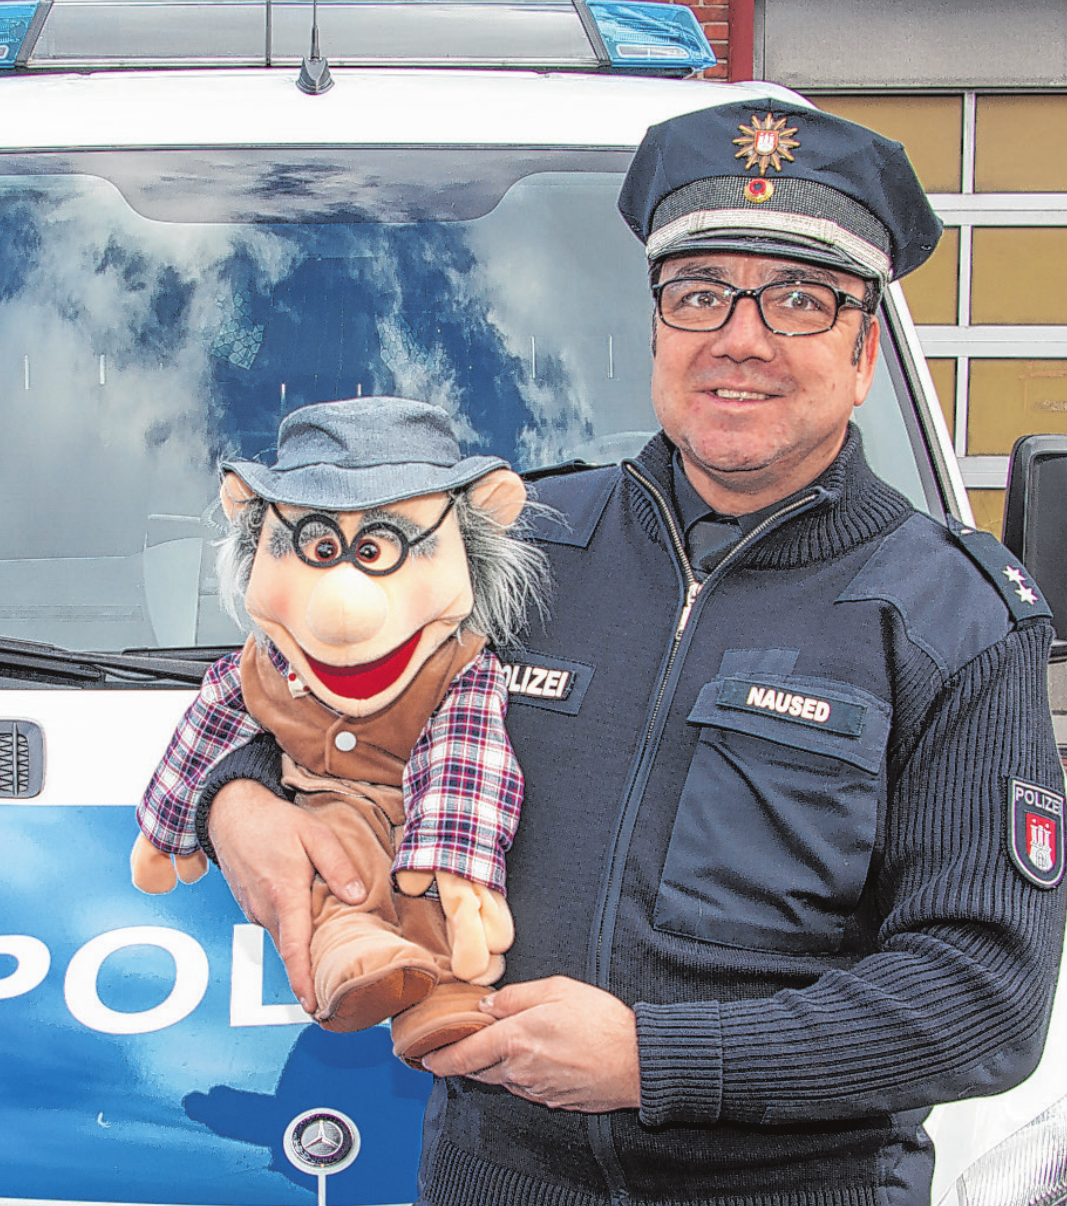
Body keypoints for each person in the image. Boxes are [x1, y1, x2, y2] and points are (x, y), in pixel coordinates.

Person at [177, 101, 1067, 1204]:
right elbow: (308, 676)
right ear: (656, 328)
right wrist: (235, 797)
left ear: (863, 350)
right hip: (495, 1178)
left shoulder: (953, 616)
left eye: (800, 299)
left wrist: (655, 1060)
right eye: (700, 293)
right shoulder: (519, 549)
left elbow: (983, 995)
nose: (740, 339)